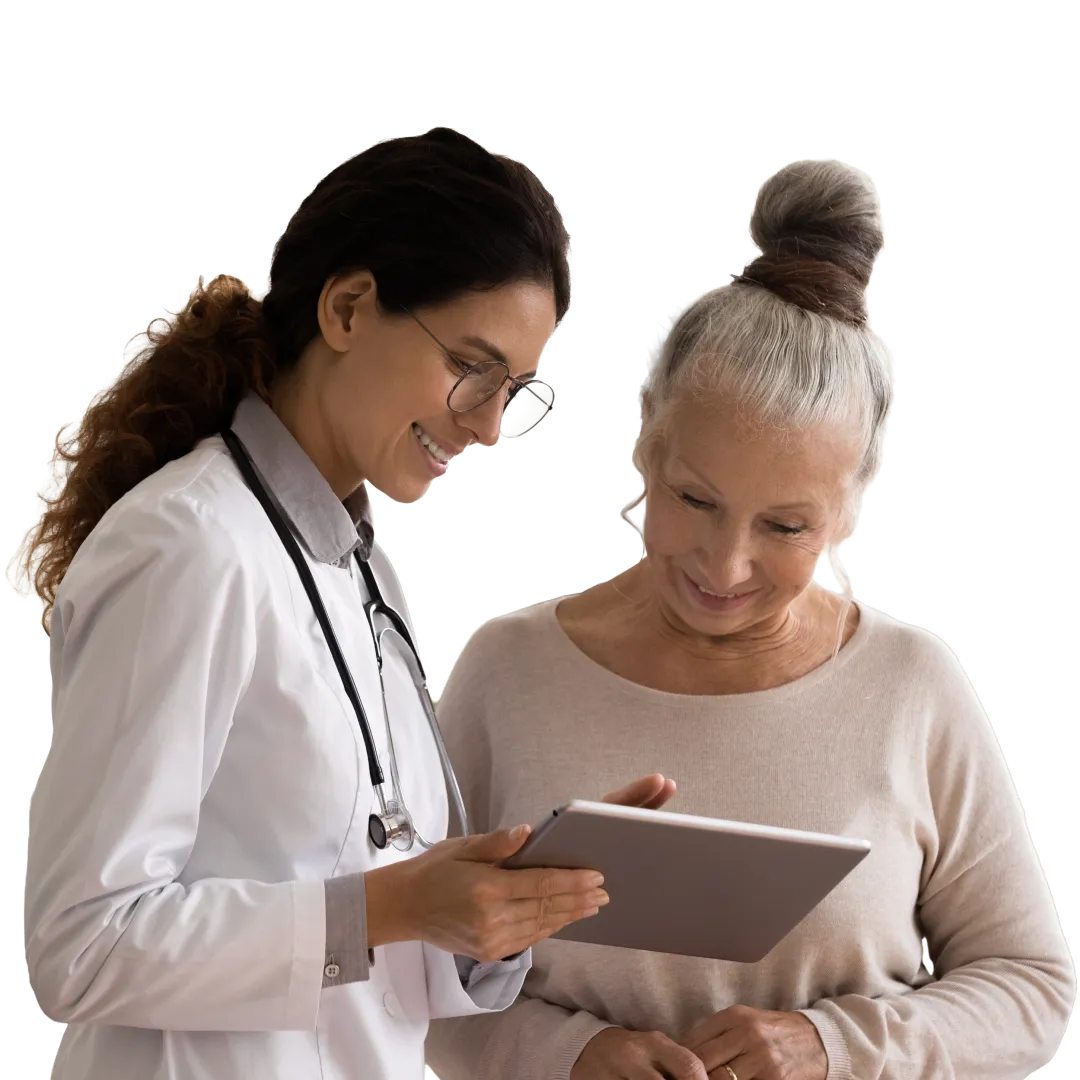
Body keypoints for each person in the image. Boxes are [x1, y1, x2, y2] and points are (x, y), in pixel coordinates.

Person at [15, 128, 668, 1080]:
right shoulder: (188, 548)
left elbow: (364, 952)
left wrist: (495, 905)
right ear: (350, 308)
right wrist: (392, 906)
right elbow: (83, 947)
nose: (488, 425)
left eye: (516, 392)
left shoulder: (357, 566)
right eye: (474, 369)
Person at [423, 159, 1076, 1080]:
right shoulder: (506, 672)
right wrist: (569, 1055)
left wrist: (833, 1046)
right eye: (692, 498)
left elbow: (1029, 987)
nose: (723, 566)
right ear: (645, 439)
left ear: (851, 505)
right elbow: (415, 981)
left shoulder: (910, 687)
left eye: (784, 526)